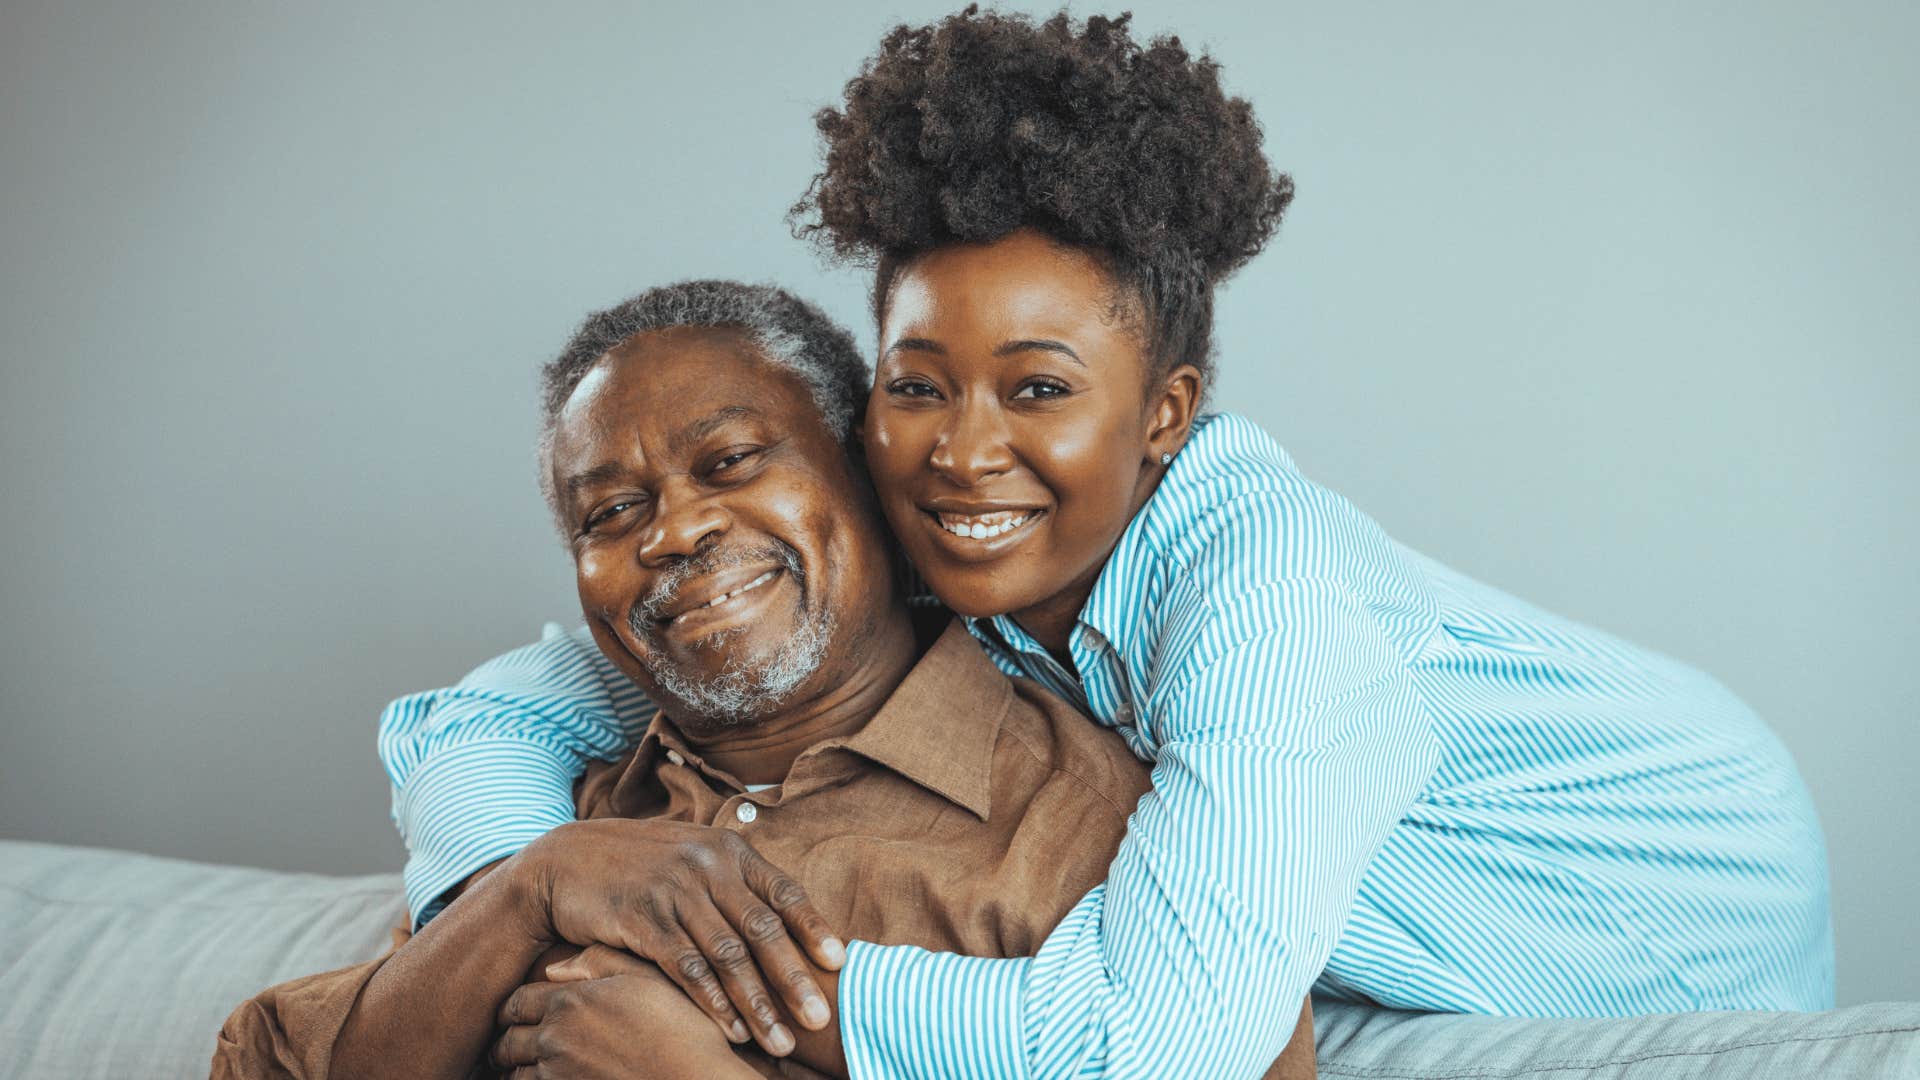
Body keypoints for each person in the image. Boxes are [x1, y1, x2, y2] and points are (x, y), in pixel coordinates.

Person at [381, 9, 1833, 1079]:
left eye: (1040, 390)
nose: (962, 449)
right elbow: (507, 704)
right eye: (916, 384)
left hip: (1656, 902)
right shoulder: (918, 526)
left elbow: (1151, 1043)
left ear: (1166, 417)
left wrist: (707, 1005)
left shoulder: (1267, 593)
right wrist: (533, 885)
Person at [212, 280, 1315, 1079]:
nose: (674, 531)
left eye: (732, 462)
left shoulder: (1116, 841)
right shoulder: (565, 818)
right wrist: (529, 890)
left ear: (872, 474)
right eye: (610, 512)